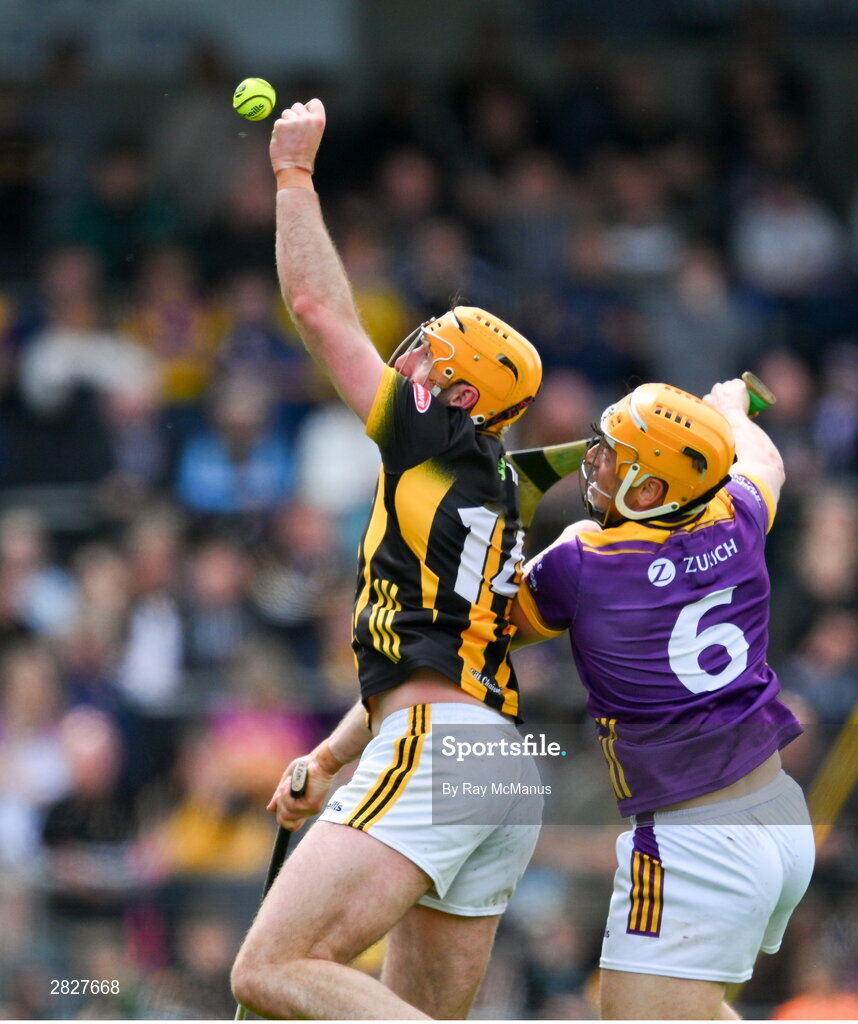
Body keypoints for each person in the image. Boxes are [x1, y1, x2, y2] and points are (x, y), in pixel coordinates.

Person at [230, 99, 544, 1020]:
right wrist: (331, 758)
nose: (408, 354)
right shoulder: (492, 489)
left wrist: (293, 176)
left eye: (429, 352)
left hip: (439, 754)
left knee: (267, 973)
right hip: (497, 765)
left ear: (456, 391)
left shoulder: (431, 442)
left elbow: (319, 309)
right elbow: (430, 663)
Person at [510, 378, 815, 1020]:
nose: (595, 461)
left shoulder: (584, 558)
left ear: (649, 491)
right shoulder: (740, 512)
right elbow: (768, 462)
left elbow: (495, 626)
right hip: (781, 813)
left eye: (615, 456)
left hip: (692, 841)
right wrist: (732, 410)